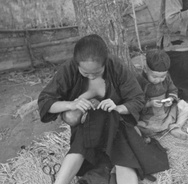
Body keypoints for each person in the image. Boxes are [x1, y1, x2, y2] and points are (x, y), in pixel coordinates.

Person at [38, 34, 165, 184]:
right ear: (77, 64)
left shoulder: (115, 66)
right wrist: (71, 104)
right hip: (87, 124)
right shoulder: (69, 69)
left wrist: (118, 108)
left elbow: (137, 98)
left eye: (96, 72)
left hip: (116, 122)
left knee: (123, 152)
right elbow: (45, 100)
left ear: (105, 63)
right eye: (85, 73)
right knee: (81, 143)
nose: (91, 77)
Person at [136, 49, 188, 140]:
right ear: (146, 69)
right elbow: (136, 102)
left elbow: (173, 90)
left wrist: (170, 99)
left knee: (185, 106)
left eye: (162, 76)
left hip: (166, 112)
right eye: (154, 77)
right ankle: (148, 133)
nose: (159, 80)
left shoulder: (167, 78)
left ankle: (175, 127)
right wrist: (149, 103)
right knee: (137, 125)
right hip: (150, 117)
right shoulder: (140, 81)